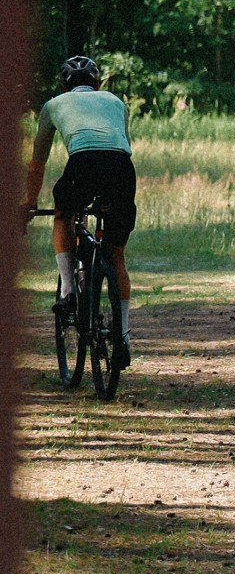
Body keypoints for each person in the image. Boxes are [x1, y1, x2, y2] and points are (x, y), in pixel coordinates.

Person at [22, 56, 136, 371]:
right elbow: (123, 144)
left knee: (64, 214)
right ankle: (123, 336)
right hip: (121, 167)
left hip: (82, 164)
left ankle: (69, 291)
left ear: (63, 85)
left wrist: (30, 203)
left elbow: (38, 163)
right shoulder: (115, 101)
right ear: (97, 83)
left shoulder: (53, 105)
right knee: (116, 256)